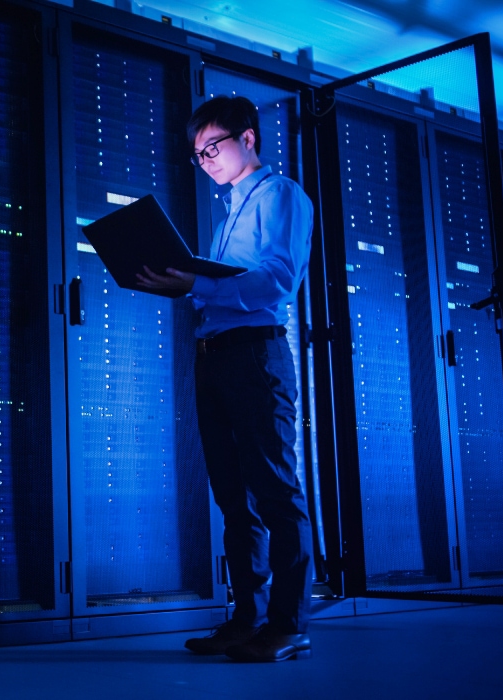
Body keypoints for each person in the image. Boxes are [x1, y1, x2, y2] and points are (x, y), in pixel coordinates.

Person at [136, 95, 314, 662]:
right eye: (197, 152)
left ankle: (289, 625)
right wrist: (179, 281)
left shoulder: (279, 195)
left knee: (275, 493)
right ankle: (247, 620)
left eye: (213, 145)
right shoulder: (227, 215)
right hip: (215, 355)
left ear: (249, 138)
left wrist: (197, 285)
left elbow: (275, 283)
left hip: (255, 357)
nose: (206, 157)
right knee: (234, 500)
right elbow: (221, 288)